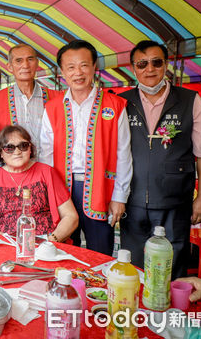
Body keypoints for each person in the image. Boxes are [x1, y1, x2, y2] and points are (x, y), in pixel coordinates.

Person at [119, 40, 201, 278]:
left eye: (156, 62)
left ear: (166, 65)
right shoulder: (121, 101)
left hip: (175, 201)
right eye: (142, 64)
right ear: (133, 68)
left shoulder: (190, 100)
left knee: (172, 266)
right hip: (133, 200)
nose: (149, 69)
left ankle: (172, 312)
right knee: (133, 266)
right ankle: (139, 313)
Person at [39, 39, 132, 256]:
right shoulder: (52, 108)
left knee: (100, 253)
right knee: (61, 251)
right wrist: (48, 194)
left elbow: (123, 154)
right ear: (62, 71)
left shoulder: (115, 105)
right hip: (62, 189)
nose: (78, 73)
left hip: (101, 190)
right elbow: (46, 155)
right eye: (70, 67)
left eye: (83, 65)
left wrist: (120, 197)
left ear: (94, 67)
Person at [0, 125, 78, 241]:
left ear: (30, 149)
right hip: (6, 243)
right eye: (10, 148)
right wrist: (4, 240)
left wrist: (52, 240)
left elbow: (71, 216)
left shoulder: (47, 172)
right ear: (1, 153)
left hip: (45, 240)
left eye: (23, 146)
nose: (17, 151)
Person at [0, 44, 58, 150]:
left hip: (47, 165)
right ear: (10, 67)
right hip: (10, 165)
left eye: (30, 59)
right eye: (19, 61)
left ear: (37, 63)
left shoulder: (55, 97)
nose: (25, 65)